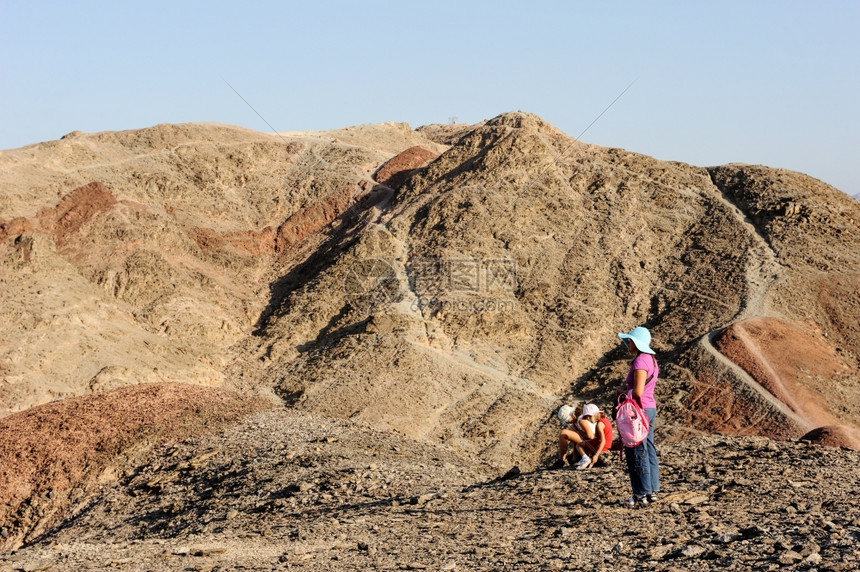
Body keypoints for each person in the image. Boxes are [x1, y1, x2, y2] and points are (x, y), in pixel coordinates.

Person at [617, 326, 660, 507]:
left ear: (636, 343)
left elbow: (638, 392)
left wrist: (623, 392)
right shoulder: (651, 360)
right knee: (648, 449)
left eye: (629, 340)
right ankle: (652, 491)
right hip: (649, 409)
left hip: (639, 411)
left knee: (636, 452)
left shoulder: (640, 362)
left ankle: (640, 494)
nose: (627, 343)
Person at [573, 404, 613, 470]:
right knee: (586, 442)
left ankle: (586, 459)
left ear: (594, 415)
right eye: (586, 418)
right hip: (607, 445)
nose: (588, 419)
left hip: (602, 446)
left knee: (579, 445)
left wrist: (596, 455)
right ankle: (585, 458)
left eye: (589, 417)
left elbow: (603, 441)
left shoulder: (599, 425)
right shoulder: (605, 420)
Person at [552, 403, 592, 469]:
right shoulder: (576, 422)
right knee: (569, 432)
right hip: (586, 442)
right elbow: (574, 440)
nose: (568, 423)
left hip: (591, 443)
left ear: (572, 415)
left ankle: (561, 460)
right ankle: (574, 458)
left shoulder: (581, 420)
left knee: (563, 433)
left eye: (567, 420)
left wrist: (578, 432)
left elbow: (590, 436)